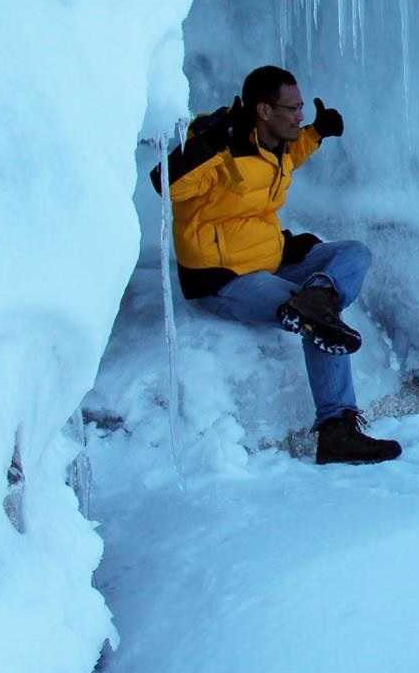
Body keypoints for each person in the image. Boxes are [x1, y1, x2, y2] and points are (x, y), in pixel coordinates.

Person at [150, 65, 401, 465]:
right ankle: (336, 429)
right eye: (293, 108)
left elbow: (282, 159)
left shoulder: (276, 142)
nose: (299, 115)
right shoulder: (220, 146)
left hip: (272, 258)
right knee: (315, 316)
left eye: (301, 107)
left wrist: (317, 133)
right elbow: (166, 182)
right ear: (265, 111)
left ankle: (320, 294)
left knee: (354, 254)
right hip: (223, 278)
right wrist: (209, 141)